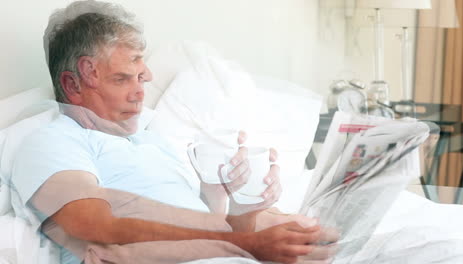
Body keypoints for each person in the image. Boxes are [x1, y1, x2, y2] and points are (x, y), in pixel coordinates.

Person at [11, 1, 338, 263]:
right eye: (124, 78)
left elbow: (204, 225)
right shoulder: (52, 142)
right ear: (72, 84)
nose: (141, 90)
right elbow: (99, 229)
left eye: (142, 76)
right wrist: (245, 242)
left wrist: (234, 199)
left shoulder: (153, 142)